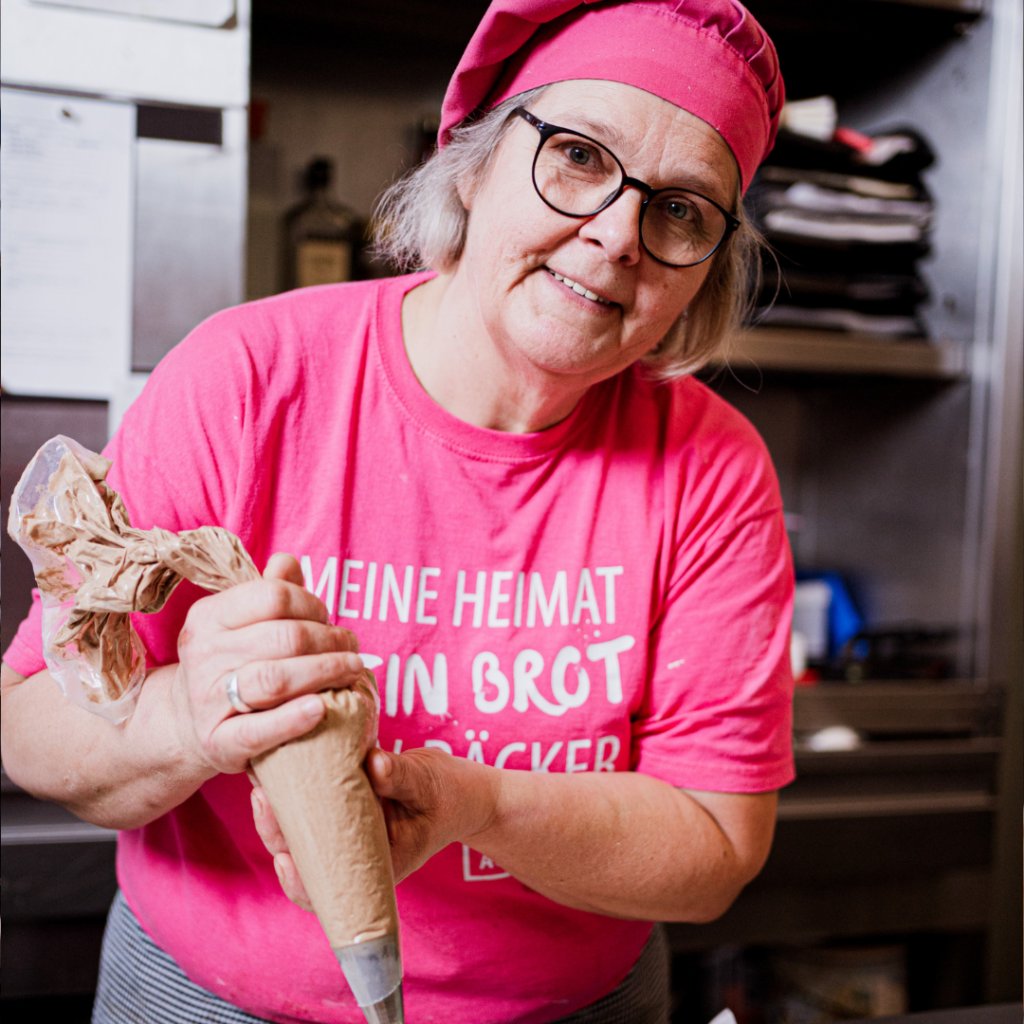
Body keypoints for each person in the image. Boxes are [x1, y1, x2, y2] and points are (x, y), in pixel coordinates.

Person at [0, 2, 794, 1022]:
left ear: (706, 270)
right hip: (209, 999)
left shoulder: (710, 468)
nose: (615, 235)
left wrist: (478, 803)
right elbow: (33, 726)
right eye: (578, 157)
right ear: (471, 160)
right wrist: (195, 713)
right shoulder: (249, 378)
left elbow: (714, 845)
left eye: (681, 209)